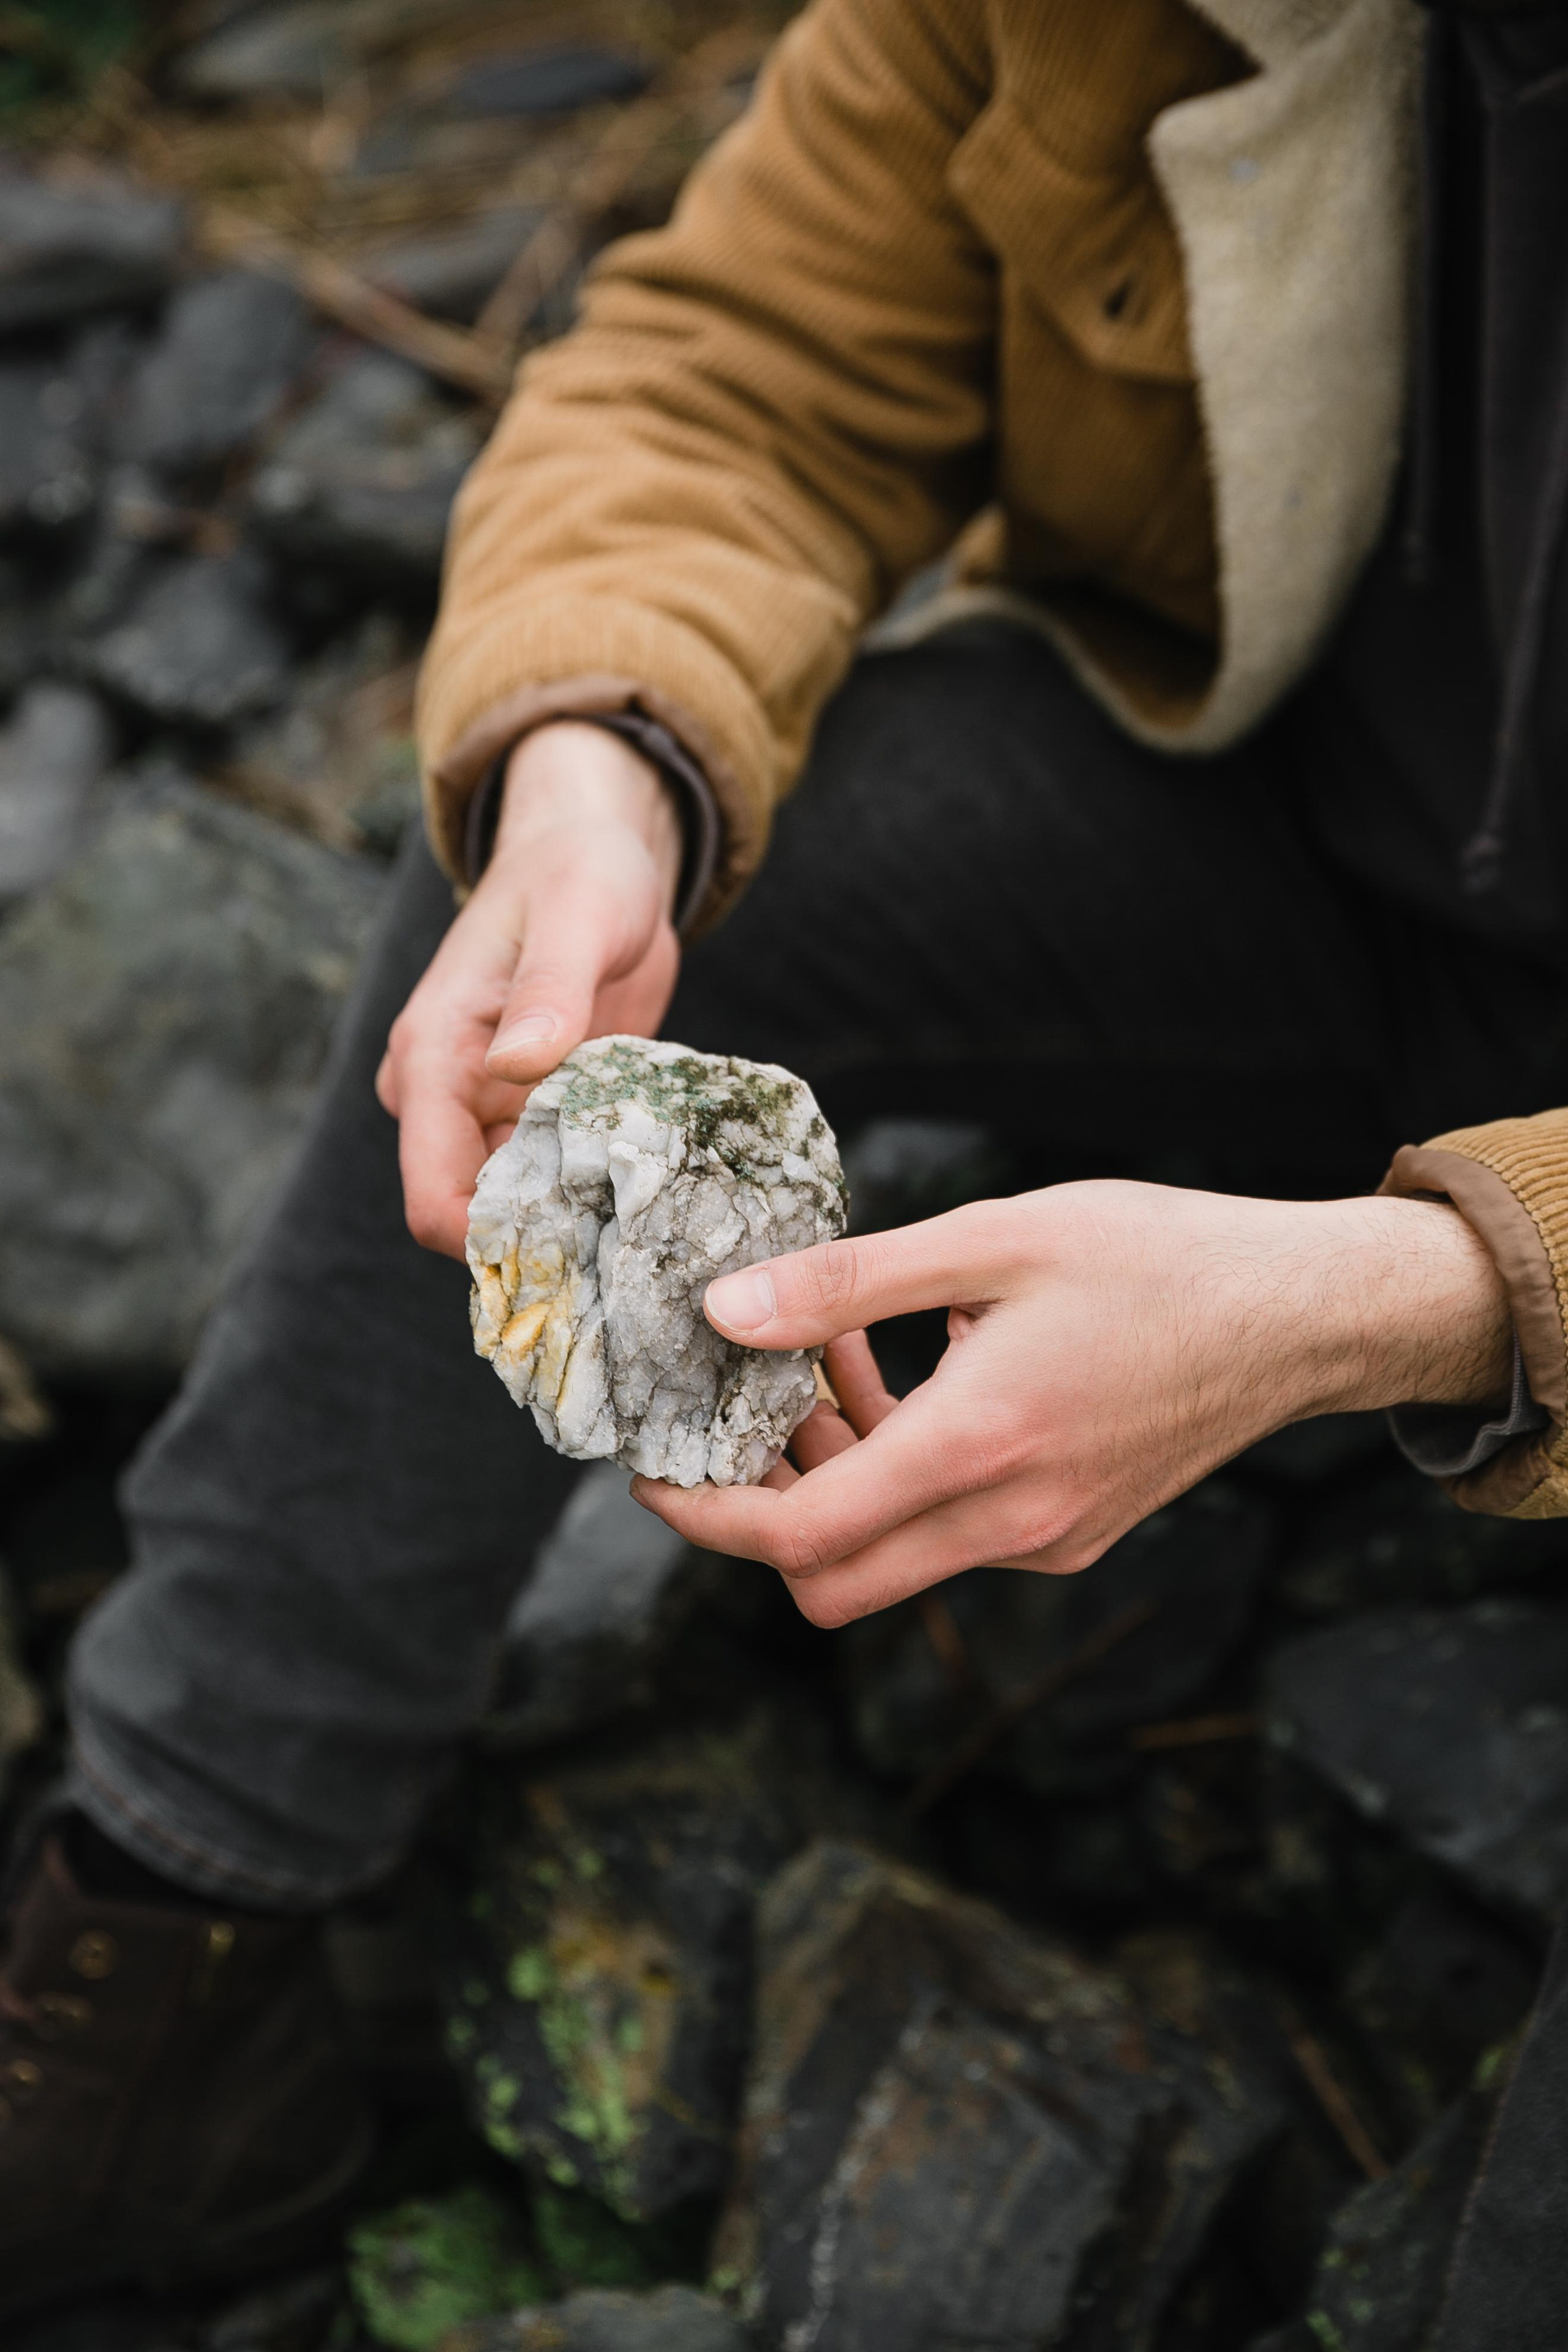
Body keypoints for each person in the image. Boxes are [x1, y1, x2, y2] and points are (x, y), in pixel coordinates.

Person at [4, 0, 1568, 2335]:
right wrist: (602, 749)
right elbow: (737, 362)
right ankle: (174, 1917)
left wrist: (1416, 1294)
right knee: (552, 904)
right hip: (1307, 856)